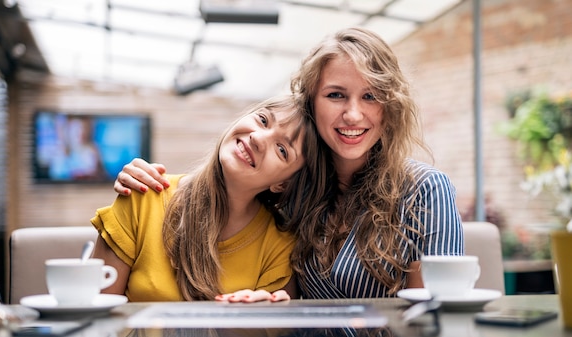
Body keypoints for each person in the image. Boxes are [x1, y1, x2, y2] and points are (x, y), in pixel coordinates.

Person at [113, 27, 464, 301]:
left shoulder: (424, 190)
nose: (353, 114)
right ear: (311, 103)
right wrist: (144, 189)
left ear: (390, 107)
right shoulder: (294, 190)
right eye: (336, 95)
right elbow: (225, 189)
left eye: (371, 96)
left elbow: (438, 315)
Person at [91, 95, 322, 302]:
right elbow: (92, 316)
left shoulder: (279, 245)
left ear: (282, 184)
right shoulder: (142, 196)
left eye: (282, 150)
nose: (258, 138)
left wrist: (255, 322)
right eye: (263, 120)